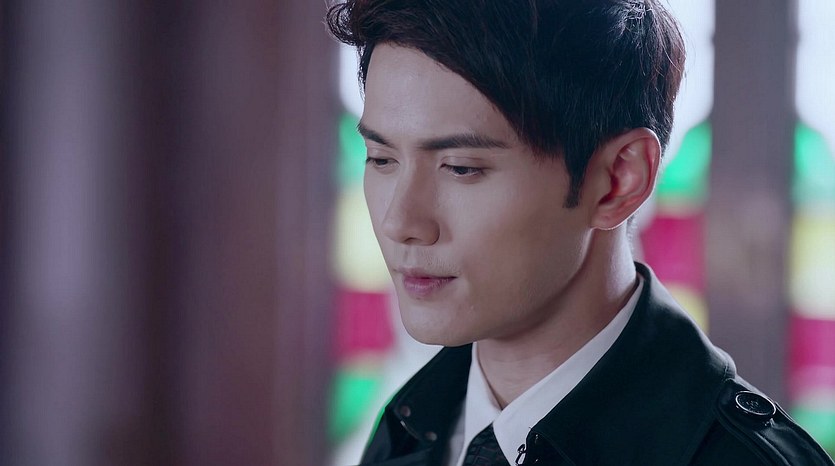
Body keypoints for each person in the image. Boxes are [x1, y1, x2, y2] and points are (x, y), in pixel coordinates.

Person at [326, 1, 835, 465]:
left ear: (618, 181)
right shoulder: (412, 427)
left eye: (460, 168)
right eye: (382, 158)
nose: (400, 222)